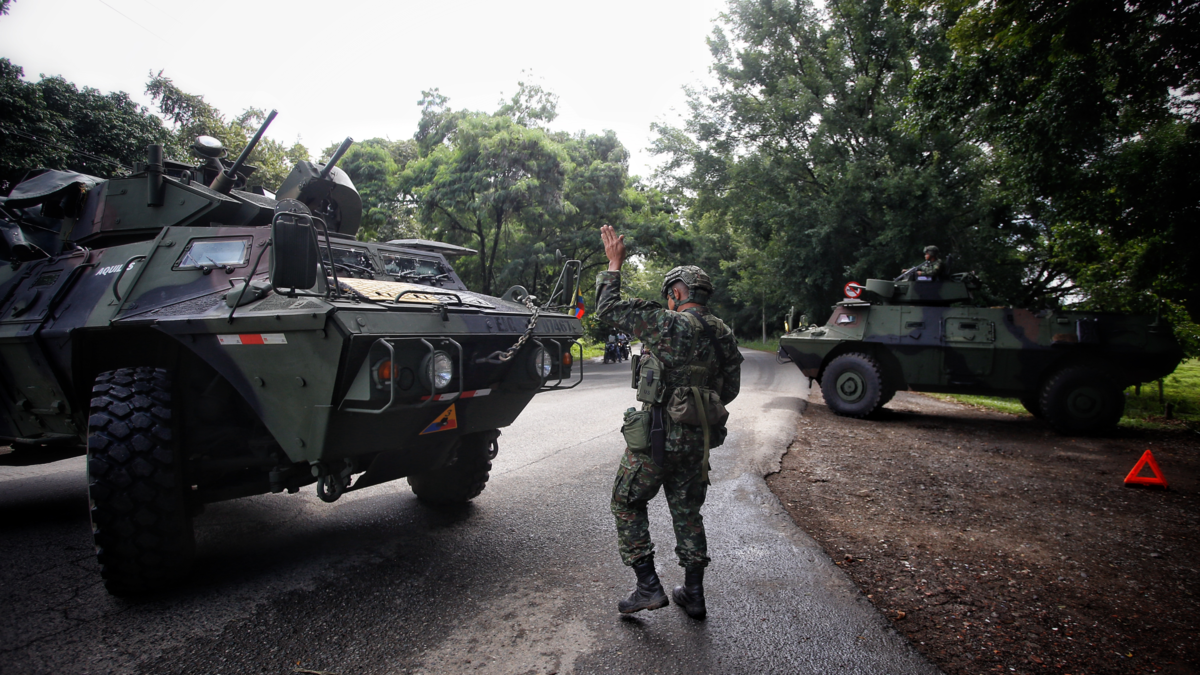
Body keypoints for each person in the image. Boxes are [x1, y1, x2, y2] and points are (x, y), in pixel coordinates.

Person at [595, 224, 743, 620]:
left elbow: (607, 309)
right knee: (687, 511)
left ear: (677, 293)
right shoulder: (723, 334)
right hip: (698, 443)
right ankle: (693, 594)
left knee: (626, 500)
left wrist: (614, 264)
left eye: (669, 295)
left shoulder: (667, 324)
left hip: (658, 437)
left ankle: (647, 586)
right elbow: (729, 389)